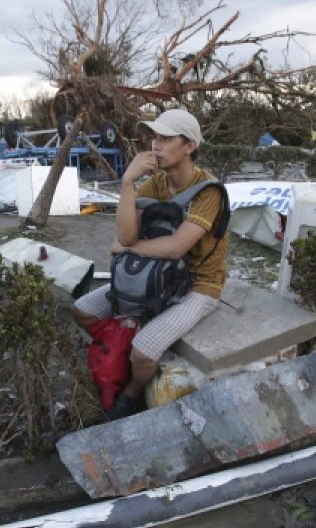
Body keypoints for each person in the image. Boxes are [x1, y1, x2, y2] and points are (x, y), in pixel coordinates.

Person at [71, 109, 228, 421]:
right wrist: (128, 182)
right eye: (154, 137)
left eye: (167, 138)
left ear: (190, 146)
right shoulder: (153, 185)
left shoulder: (209, 192)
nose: (156, 145)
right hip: (151, 277)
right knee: (82, 310)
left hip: (197, 285)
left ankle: (131, 394)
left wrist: (130, 247)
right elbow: (126, 235)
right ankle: (119, 347)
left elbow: (175, 247)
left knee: (144, 352)